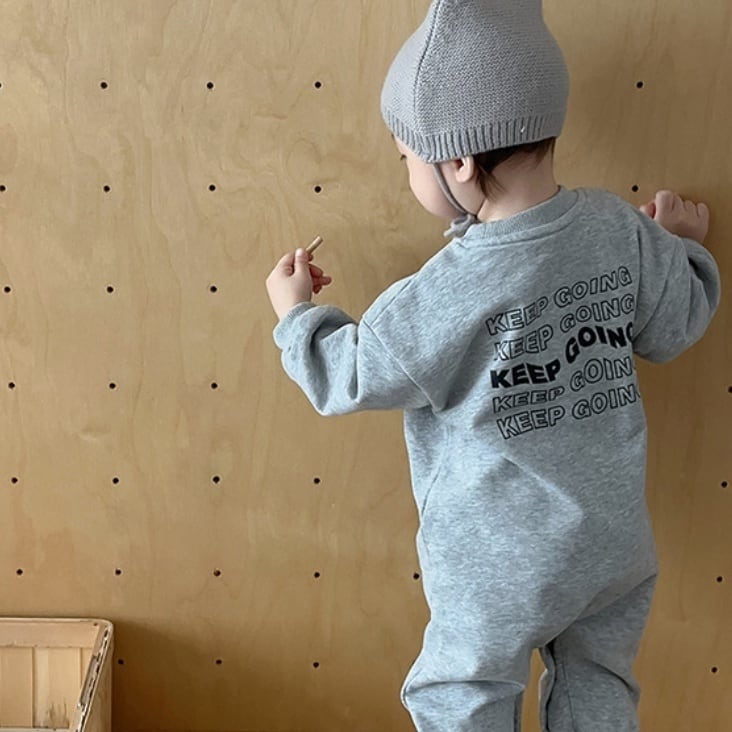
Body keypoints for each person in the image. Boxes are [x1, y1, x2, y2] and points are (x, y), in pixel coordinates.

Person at [265, 0, 722, 729]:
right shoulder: (616, 229)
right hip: (610, 546)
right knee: (599, 682)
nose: (405, 171)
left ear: (459, 163)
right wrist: (681, 246)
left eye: (406, 157)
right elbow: (675, 323)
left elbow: (348, 375)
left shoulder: (446, 288)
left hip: (497, 562)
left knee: (464, 692)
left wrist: (297, 317)